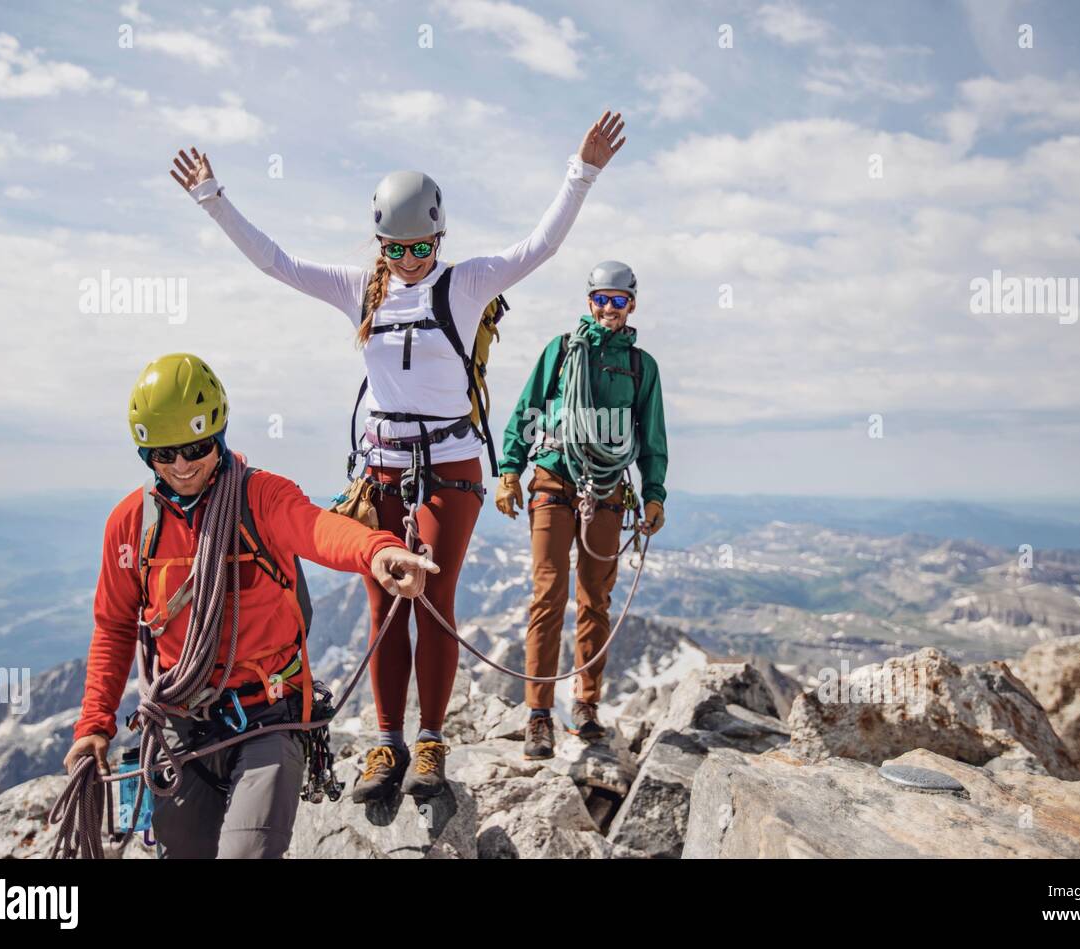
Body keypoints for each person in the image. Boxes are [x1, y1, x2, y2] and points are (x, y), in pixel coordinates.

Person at [168, 110, 627, 800]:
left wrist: (581, 170)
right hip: (380, 469)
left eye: (420, 248)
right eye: (396, 248)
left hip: (449, 469)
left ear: (439, 238)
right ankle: (388, 742)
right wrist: (213, 198)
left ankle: (433, 739)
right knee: (383, 600)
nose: (409, 260)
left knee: (433, 598)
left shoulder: (467, 283)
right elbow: (277, 261)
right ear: (379, 243)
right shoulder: (360, 289)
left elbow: (543, 245)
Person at [63, 353, 434, 858]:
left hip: (268, 715)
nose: (181, 465)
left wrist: (378, 551)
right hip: (182, 720)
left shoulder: (261, 497)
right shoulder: (132, 524)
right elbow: (113, 627)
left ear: (217, 434)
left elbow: (317, 529)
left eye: (194, 447)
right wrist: (93, 726)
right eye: (163, 454)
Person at [495, 261, 667, 759]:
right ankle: (538, 714)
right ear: (589, 301)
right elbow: (528, 410)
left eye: (618, 300)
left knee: (595, 598)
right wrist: (510, 470)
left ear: (631, 304)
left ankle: (586, 705)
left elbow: (652, 436)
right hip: (553, 477)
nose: (608, 308)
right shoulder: (562, 351)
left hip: (609, 487)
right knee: (548, 594)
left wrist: (654, 493)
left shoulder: (641, 367)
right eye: (601, 299)